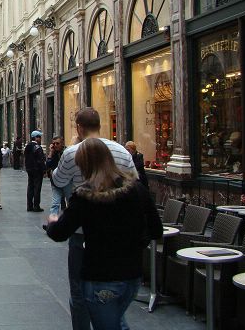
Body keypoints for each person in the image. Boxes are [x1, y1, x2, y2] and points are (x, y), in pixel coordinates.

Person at [46, 138, 163, 330]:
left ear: (84, 164)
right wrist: (133, 243)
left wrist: (53, 222)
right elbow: (156, 230)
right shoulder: (137, 188)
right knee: (116, 321)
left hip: (100, 278)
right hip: (132, 277)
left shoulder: (85, 196)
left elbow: (59, 233)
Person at [52, 107, 138, 330]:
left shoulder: (72, 152)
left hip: (82, 232)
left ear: (78, 128)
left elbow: (58, 181)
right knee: (112, 288)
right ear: (100, 125)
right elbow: (135, 183)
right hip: (118, 231)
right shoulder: (122, 151)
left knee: (79, 291)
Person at [24, 130, 46, 212]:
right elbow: (40, 160)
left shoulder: (28, 146)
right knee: (37, 187)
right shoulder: (37, 147)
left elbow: (26, 157)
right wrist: (44, 170)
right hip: (37, 170)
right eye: (39, 137)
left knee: (30, 187)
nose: (40, 139)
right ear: (36, 138)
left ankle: (29, 206)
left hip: (29, 169)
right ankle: (36, 206)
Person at [46, 136, 67, 216]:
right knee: (55, 202)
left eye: (57, 143)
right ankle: (53, 220)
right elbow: (47, 165)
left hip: (66, 180)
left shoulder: (67, 152)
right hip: (55, 180)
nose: (55, 145)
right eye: (53, 143)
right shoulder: (53, 153)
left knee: (69, 200)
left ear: (62, 143)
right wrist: (50, 153)